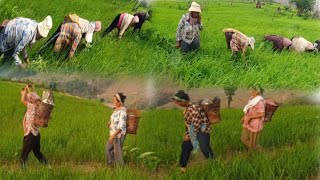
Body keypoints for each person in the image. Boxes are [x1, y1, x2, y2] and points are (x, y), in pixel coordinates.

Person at [172, 90, 214, 173]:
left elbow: (197, 124)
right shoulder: (189, 106)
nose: (178, 105)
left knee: (205, 149)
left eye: (179, 103)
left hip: (202, 131)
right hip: (195, 130)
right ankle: (183, 167)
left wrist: (189, 135)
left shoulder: (194, 108)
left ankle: (213, 164)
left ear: (183, 101)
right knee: (186, 146)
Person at [20, 84, 48, 169]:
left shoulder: (31, 106)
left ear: (31, 99)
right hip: (36, 134)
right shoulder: (40, 106)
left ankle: (24, 171)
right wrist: (32, 88)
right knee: (37, 152)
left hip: (30, 134)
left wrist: (26, 89)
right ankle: (47, 166)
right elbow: (35, 97)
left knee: (24, 154)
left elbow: (22, 100)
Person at [106, 93, 127, 166]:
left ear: (119, 102)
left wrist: (113, 136)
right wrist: (110, 122)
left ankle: (119, 169)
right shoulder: (116, 110)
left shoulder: (123, 112)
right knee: (109, 148)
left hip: (118, 135)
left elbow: (121, 126)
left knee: (117, 153)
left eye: (115, 101)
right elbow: (114, 118)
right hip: (113, 134)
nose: (113, 102)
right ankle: (111, 166)